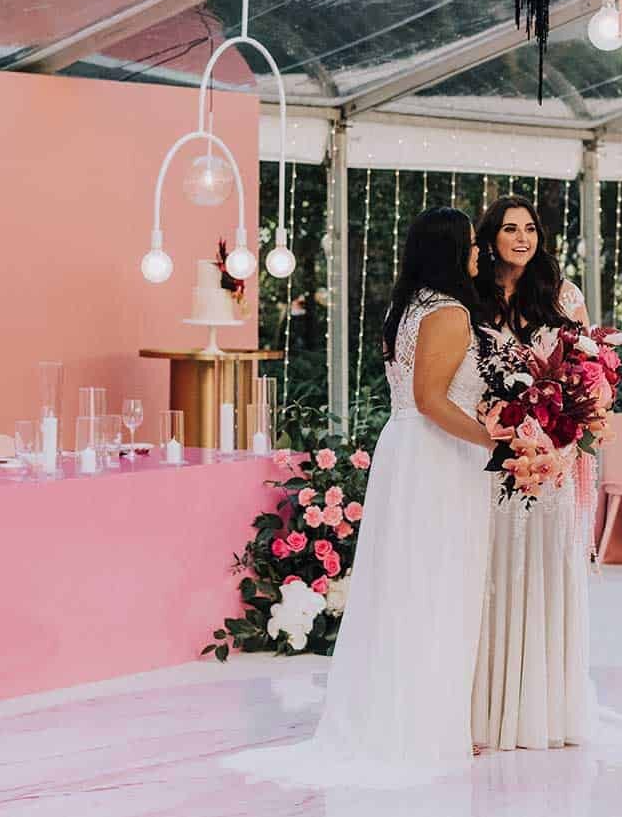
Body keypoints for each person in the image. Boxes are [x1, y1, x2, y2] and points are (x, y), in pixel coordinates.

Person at [225, 206, 497, 788]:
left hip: (409, 451)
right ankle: (424, 727)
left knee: (403, 586)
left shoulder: (409, 309)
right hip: (438, 458)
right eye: (472, 245)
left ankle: (401, 716)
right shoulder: (448, 313)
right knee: (438, 586)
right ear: (451, 252)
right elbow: (431, 398)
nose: (480, 254)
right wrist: (494, 438)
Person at [470, 194, 594, 752]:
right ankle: (487, 712)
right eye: (508, 229)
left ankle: (543, 709)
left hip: (552, 459)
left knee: (547, 571)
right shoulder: (470, 297)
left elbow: (591, 378)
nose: (521, 238)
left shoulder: (564, 297)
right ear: (489, 236)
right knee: (494, 572)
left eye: (530, 229)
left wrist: (564, 442)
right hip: (491, 455)